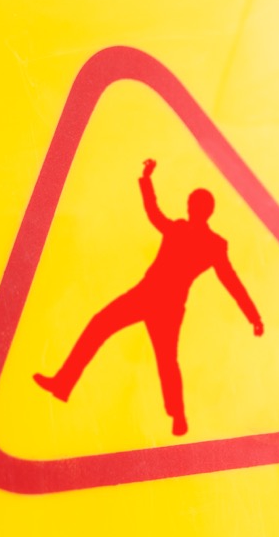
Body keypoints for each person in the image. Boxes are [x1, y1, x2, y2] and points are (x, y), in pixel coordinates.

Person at [34, 158, 263, 436]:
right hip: (160, 300)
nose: (190, 207)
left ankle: (176, 415)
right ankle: (66, 384)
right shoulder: (212, 243)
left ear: (202, 210)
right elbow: (232, 283)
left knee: (149, 352)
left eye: (194, 204)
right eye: (190, 203)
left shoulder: (189, 233)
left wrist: (147, 179)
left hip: (153, 297)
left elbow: (230, 282)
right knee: (128, 341)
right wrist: (254, 317)